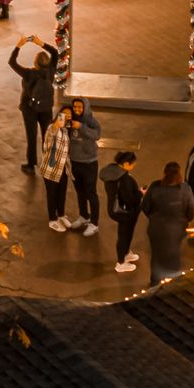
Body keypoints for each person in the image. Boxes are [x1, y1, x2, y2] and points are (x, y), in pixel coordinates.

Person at [142, 162, 194, 283]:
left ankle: (154, 284)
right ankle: (171, 284)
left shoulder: (155, 186)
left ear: (164, 173)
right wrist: (184, 221)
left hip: (156, 228)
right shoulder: (185, 189)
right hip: (177, 230)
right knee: (174, 255)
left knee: (156, 256)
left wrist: (153, 217)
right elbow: (192, 212)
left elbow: (145, 206)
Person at [10, 35, 59, 171]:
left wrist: (19, 45)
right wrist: (40, 43)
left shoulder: (28, 73)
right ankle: (49, 163)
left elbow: (12, 62)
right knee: (47, 135)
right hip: (46, 108)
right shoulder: (51, 71)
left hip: (29, 109)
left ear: (35, 62)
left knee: (31, 137)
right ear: (48, 62)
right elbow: (55, 52)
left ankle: (31, 165)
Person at [102, 150, 144, 272]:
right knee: (124, 235)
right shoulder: (123, 179)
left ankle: (126, 253)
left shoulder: (112, 171)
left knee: (125, 233)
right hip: (124, 212)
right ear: (126, 164)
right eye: (132, 165)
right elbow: (129, 199)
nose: (133, 167)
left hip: (114, 208)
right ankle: (121, 262)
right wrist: (140, 194)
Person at [66, 96, 103, 233]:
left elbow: (97, 135)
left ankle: (94, 223)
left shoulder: (91, 121)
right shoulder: (70, 119)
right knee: (79, 191)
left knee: (91, 192)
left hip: (89, 163)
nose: (77, 109)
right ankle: (83, 216)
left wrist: (81, 127)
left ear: (85, 108)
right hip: (75, 162)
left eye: (79, 107)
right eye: (75, 107)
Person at [40, 105, 76, 229]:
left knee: (62, 193)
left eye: (69, 115)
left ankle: (61, 215)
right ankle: (52, 220)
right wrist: (59, 121)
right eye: (64, 114)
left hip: (62, 169)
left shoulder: (66, 130)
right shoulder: (52, 127)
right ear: (59, 115)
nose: (67, 117)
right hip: (50, 169)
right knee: (52, 194)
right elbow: (50, 137)